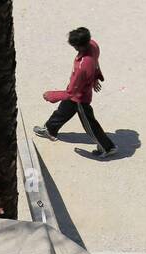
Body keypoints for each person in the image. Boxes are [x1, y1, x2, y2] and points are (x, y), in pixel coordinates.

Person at [33, 27, 116, 160]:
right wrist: (95, 77)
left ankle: (107, 147)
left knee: (89, 124)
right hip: (78, 92)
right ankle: (50, 129)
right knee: (63, 110)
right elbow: (96, 62)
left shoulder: (82, 65)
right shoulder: (93, 45)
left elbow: (72, 92)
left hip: (80, 98)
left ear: (79, 47)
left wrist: (52, 96)